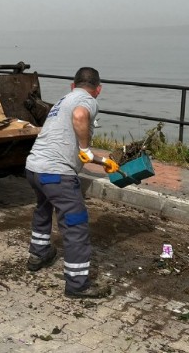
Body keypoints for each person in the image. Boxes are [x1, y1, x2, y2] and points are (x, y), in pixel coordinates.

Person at [25, 67, 119, 299]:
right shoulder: (87, 100)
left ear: (72, 85)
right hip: (57, 175)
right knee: (75, 224)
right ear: (98, 89)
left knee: (44, 208)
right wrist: (87, 149)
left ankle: (39, 254)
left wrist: (101, 160)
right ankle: (78, 284)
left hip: (35, 168)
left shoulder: (62, 100)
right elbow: (79, 117)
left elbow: (68, 140)